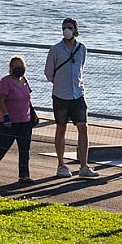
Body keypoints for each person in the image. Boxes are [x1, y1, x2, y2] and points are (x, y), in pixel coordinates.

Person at [43, 17, 97, 178]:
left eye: (69, 27)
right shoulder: (55, 49)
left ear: (75, 30)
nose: (66, 30)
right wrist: (59, 82)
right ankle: (61, 165)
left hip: (78, 94)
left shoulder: (82, 48)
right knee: (61, 128)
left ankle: (84, 165)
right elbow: (49, 72)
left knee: (83, 127)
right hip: (60, 95)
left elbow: (81, 67)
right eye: (64, 28)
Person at [0, 55, 36, 183]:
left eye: (22, 66)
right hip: (8, 122)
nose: (20, 69)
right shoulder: (5, 82)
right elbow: (0, 100)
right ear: (11, 68)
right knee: (3, 146)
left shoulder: (24, 81)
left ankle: (24, 175)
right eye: (17, 66)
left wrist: (33, 113)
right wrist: (6, 115)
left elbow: (27, 99)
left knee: (24, 149)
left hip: (25, 121)